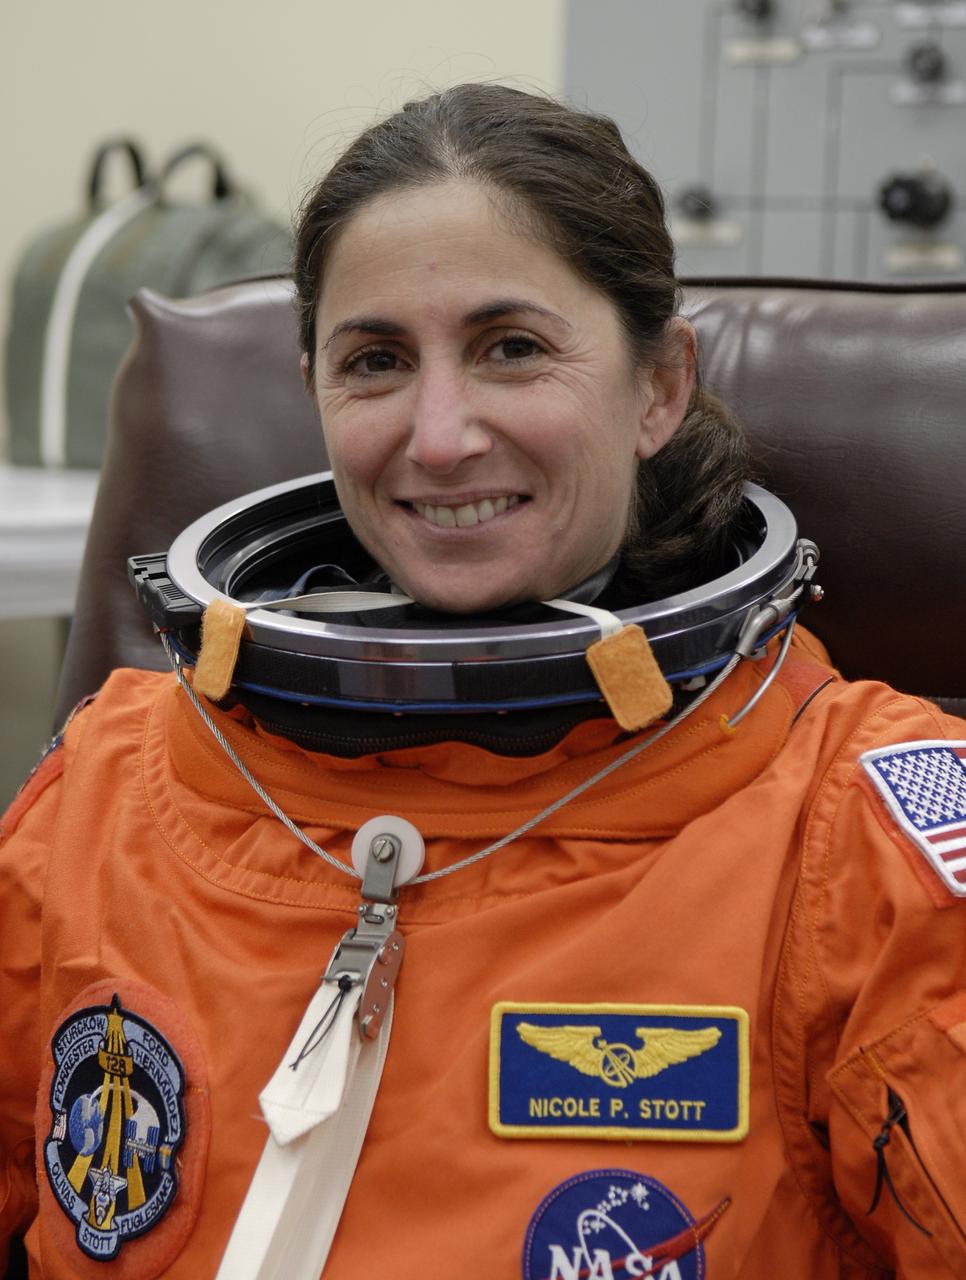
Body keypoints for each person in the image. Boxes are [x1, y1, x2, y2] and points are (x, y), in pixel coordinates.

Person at [3, 83, 966, 1280]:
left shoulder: (859, 843)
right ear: (314, 390)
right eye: (376, 361)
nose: (441, 435)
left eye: (513, 348)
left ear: (659, 386)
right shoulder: (106, 792)